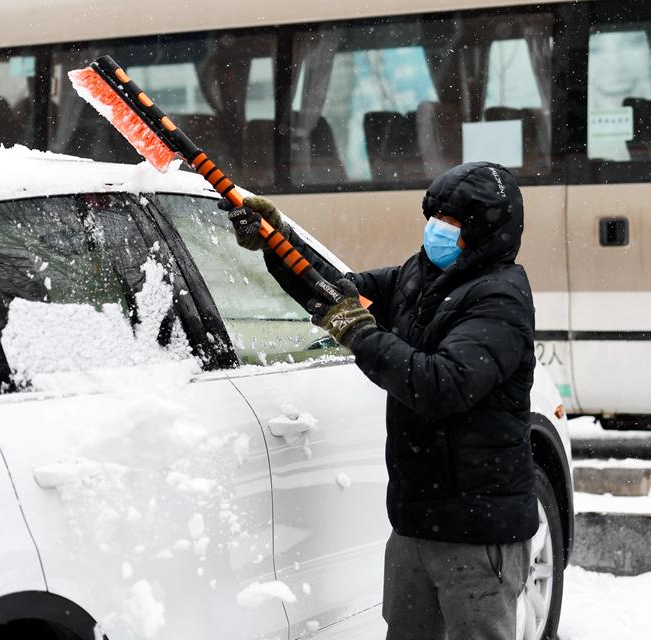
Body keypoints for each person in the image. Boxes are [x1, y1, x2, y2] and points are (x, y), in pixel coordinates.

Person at [222, 161, 539, 640]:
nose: (437, 230)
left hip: (478, 534)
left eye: (452, 224)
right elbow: (333, 291)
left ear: (485, 234)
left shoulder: (499, 299)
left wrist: (358, 332)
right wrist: (276, 240)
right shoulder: (419, 275)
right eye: (435, 217)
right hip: (415, 522)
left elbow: (441, 386)